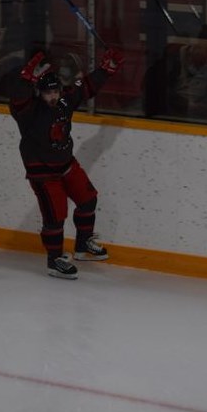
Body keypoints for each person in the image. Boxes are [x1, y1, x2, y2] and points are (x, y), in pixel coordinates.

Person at [9, 48, 124, 279]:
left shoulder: (64, 101)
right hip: (43, 174)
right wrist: (26, 77)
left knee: (88, 199)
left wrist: (106, 69)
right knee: (55, 216)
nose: (52, 96)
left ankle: (82, 246)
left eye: (55, 91)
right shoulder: (28, 111)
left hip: (66, 164)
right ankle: (54, 261)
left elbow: (86, 88)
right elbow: (17, 98)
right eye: (47, 92)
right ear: (38, 92)